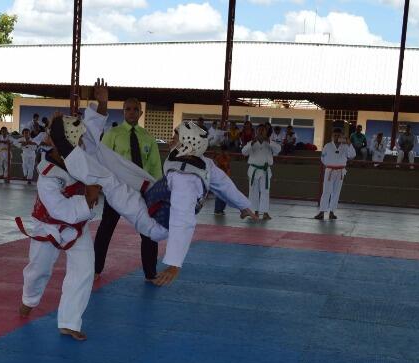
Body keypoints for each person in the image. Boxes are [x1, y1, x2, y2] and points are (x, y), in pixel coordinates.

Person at [18, 79, 167, 341]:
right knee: (38, 271)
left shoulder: (82, 151)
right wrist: (87, 200)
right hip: (49, 226)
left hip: (77, 227)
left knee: (84, 269)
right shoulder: (48, 175)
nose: (80, 145)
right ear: (56, 142)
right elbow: (61, 209)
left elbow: (92, 129)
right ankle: (29, 299)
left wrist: (101, 103)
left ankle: (69, 321)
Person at [146, 121, 257, 286]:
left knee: (116, 188)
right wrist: (243, 205)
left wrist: (174, 264)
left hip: (153, 223)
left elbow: (182, 220)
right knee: (124, 181)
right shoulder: (204, 163)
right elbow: (223, 184)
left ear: (188, 143)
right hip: (156, 204)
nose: (171, 140)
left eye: (175, 138)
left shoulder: (185, 179)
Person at [94, 96, 162, 281]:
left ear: (141, 112)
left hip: (144, 191)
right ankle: (95, 269)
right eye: (128, 109)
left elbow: (155, 167)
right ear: (123, 112)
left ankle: (151, 273)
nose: (131, 112)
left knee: (149, 231)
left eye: (135, 109)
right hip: (117, 189)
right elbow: (102, 161)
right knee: (106, 229)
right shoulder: (113, 134)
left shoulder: (148, 138)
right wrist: (98, 186)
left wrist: (159, 192)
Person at [315, 127, 356, 220]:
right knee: (326, 191)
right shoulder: (327, 146)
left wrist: (349, 143)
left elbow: (352, 155)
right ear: (332, 136)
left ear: (342, 136)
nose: (337, 137)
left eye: (339, 135)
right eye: (335, 135)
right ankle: (322, 212)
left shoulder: (346, 146)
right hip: (329, 171)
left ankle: (332, 212)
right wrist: (329, 165)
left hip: (340, 171)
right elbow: (323, 158)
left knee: (336, 192)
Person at [242, 124, 280, 220]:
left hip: (265, 171)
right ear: (256, 132)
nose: (261, 132)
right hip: (254, 170)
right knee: (253, 191)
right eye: (259, 130)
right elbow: (244, 152)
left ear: (266, 132)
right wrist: (252, 143)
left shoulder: (270, 143)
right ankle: (255, 211)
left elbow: (278, 149)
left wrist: (269, 141)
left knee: (265, 191)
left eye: (263, 130)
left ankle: (265, 212)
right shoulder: (251, 143)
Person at [213, 145, 232, 215]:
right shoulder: (220, 157)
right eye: (226, 151)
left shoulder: (227, 157)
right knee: (220, 194)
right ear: (224, 151)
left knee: (225, 195)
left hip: (226, 178)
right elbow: (222, 165)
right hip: (220, 178)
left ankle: (221, 209)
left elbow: (228, 166)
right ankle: (217, 210)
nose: (227, 152)